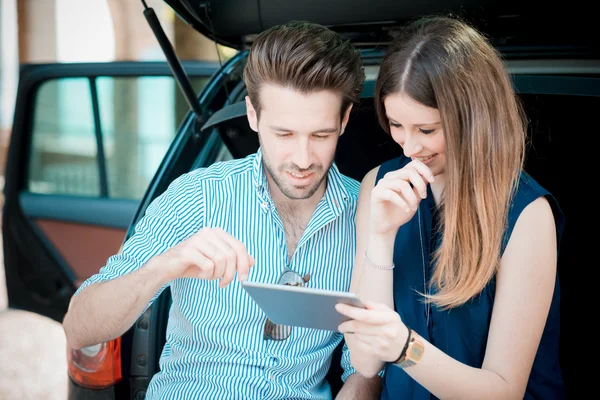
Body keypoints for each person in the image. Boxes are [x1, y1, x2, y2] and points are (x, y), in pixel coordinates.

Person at [62, 21, 382, 399]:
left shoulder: (367, 215)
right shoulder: (195, 196)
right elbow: (79, 327)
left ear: (344, 121)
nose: (302, 158)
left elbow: (364, 369)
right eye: (283, 134)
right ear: (252, 115)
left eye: (320, 135)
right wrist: (166, 265)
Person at [335, 15, 565, 399]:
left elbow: (503, 392)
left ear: (473, 118)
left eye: (427, 130)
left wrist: (405, 348)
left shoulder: (527, 213)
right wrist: (381, 234)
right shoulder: (379, 183)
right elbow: (365, 360)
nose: (408, 148)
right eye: (395, 125)